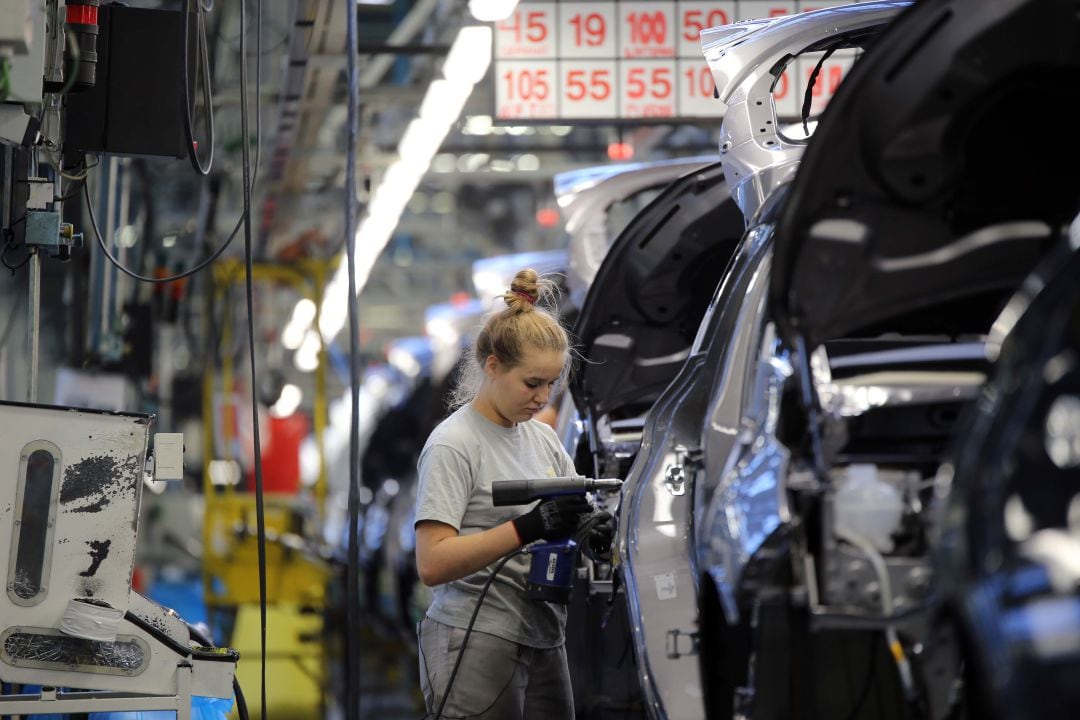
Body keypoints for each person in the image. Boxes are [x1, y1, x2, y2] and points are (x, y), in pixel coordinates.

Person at [413, 268, 593, 719]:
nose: (542, 397)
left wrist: (592, 527)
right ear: (493, 366)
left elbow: (567, 518)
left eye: (551, 384)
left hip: (544, 636)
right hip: (474, 639)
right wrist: (527, 527)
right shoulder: (454, 444)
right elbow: (433, 563)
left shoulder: (543, 438)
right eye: (532, 383)